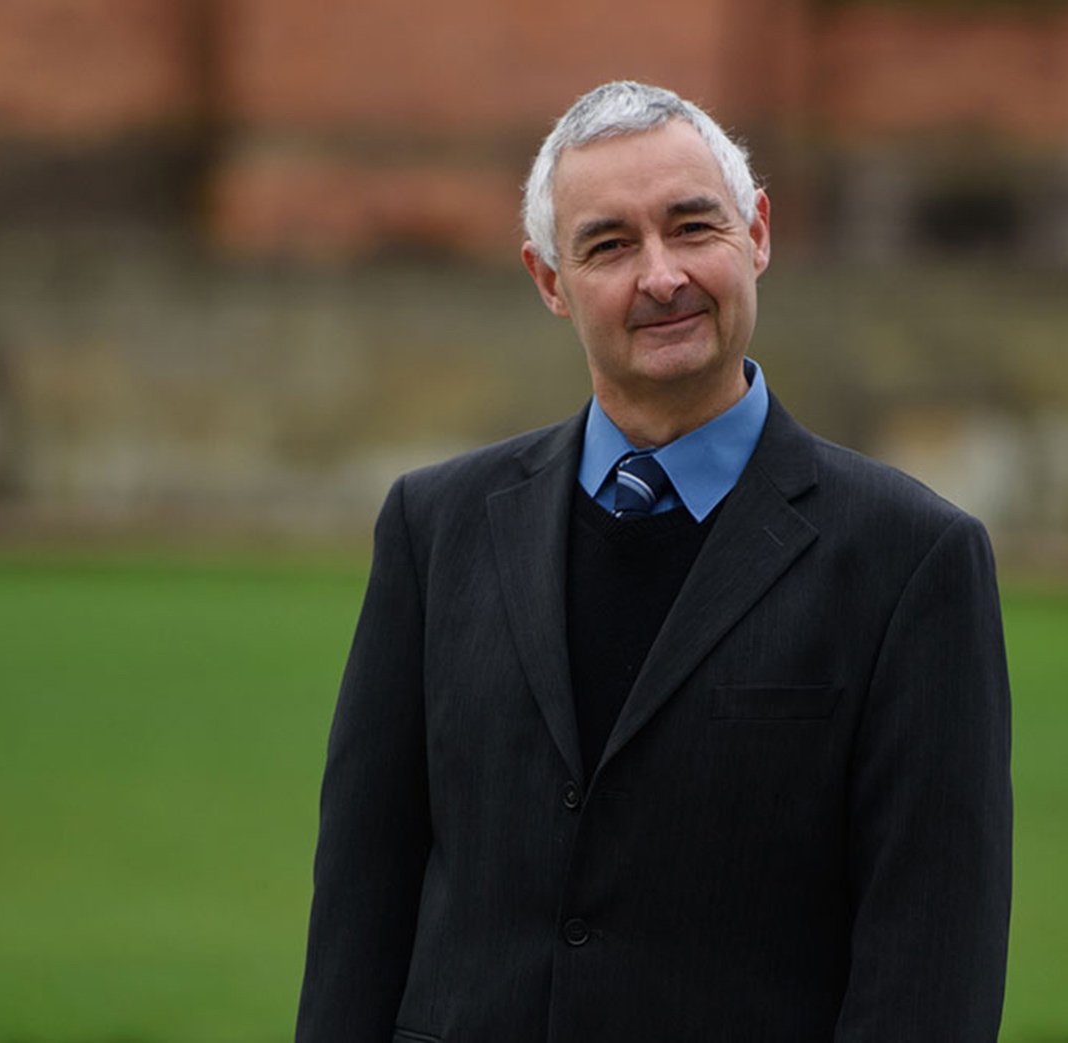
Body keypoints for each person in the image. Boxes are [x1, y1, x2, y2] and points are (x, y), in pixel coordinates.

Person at [296, 80, 1011, 1042]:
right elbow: (360, 899)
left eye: (691, 226)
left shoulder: (913, 559)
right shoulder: (436, 528)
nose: (662, 275)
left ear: (756, 233)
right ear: (549, 281)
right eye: (609, 245)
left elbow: (931, 961)